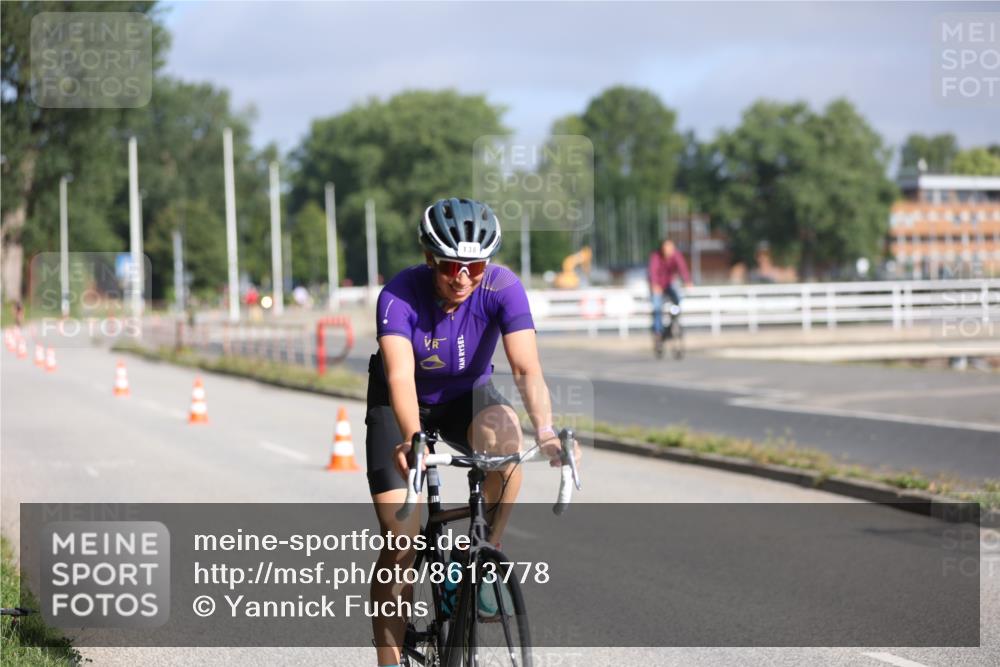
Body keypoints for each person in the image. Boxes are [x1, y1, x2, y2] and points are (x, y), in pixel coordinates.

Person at [366, 197, 580, 667]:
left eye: (475, 266)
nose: (463, 278)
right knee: (400, 540)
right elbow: (400, 377)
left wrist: (544, 430)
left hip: (466, 395)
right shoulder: (399, 295)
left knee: (508, 445)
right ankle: (389, 658)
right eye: (451, 267)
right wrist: (411, 437)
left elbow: (526, 366)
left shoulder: (503, 287)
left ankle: (483, 554)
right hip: (399, 403)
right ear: (430, 259)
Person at [647, 238, 693, 345]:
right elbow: (652, 272)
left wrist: (687, 281)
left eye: (671, 248)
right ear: (662, 248)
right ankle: (658, 332)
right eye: (667, 248)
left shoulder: (676, 256)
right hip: (658, 285)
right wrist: (654, 285)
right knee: (657, 307)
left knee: (678, 299)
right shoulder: (656, 257)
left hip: (669, 284)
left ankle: (674, 321)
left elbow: (682, 268)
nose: (669, 250)